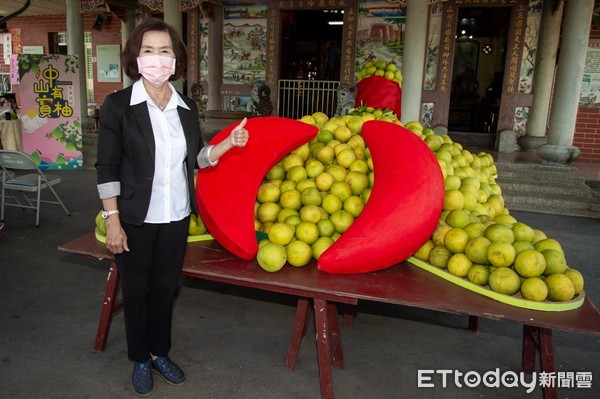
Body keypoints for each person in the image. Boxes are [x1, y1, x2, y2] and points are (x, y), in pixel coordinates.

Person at [95, 18, 249, 397]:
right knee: (136, 289)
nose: (157, 58)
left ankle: (159, 352)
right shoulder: (118, 106)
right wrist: (112, 219)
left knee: (166, 288)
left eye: (165, 51)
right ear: (136, 58)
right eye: (149, 50)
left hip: (176, 215)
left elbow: (196, 157)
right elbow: (106, 167)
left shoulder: (186, 108)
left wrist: (229, 143)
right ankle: (139, 359)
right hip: (133, 217)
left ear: (176, 60)